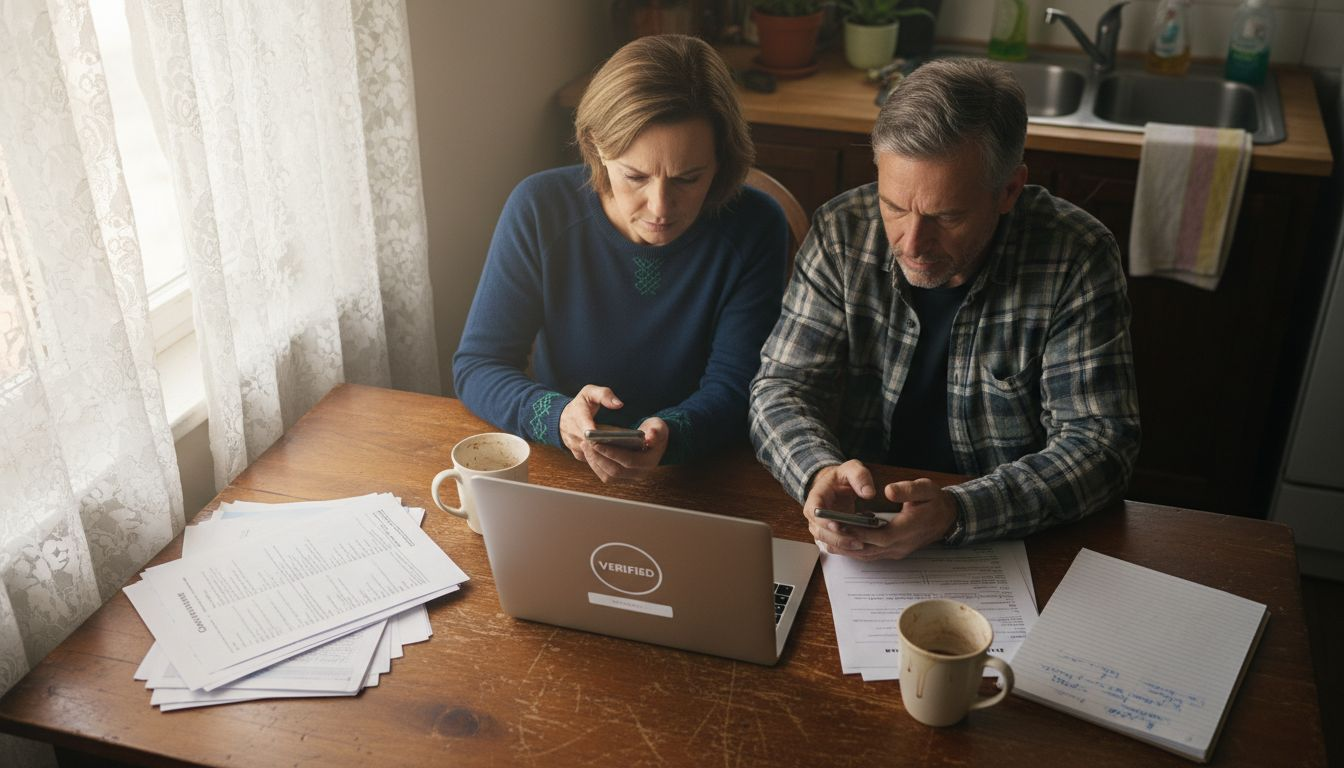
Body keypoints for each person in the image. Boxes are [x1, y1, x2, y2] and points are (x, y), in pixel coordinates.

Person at [748, 58, 1140, 560]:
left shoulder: (1075, 255)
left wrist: (958, 511)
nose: (912, 243)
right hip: (862, 524)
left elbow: (1101, 444)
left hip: (1008, 544)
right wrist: (817, 471)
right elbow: (781, 388)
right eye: (894, 207)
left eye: (946, 216)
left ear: (1009, 190)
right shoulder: (842, 231)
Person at [453, 35, 787, 483]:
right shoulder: (539, 208)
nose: (660, 208)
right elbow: (479, 365)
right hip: (564, 466)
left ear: (721, 159)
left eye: (688, 178)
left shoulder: (755, 225)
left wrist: (673, 434)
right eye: (635, 176)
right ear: (596, 147)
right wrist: (557, 417)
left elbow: (737, 386)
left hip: (702, 474)